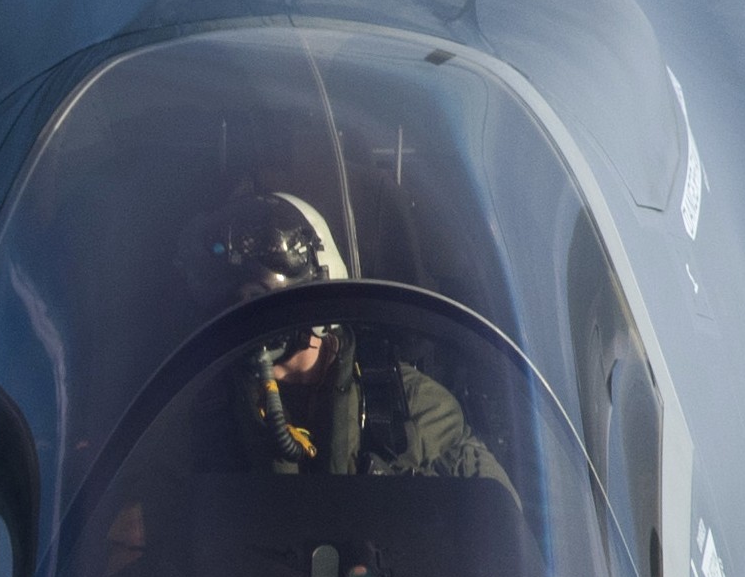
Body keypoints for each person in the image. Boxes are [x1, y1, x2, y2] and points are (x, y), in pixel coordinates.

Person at [175, 193, 513, 492]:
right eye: (236, 309)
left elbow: (500, 532)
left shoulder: (413, 410)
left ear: (319, 295)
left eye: (263, 303)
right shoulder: (203, 415)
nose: (252, 325)